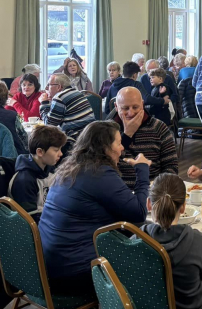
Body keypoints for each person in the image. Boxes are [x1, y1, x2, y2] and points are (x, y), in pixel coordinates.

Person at [39, 121, 150, 299]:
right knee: (150, 255)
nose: (122, 149)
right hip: (73, 274)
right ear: (105, 147)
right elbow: (138, 213)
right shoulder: (99, 172)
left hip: (46, 266)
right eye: (119, 143)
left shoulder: (70, 166)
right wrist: (142, 171)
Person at [143, 173, 202, 309]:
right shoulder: (198, 240)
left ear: (149, 204)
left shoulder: (137, 238)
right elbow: (201, 277)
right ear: (183, 207)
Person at [112, 87, 178, 188]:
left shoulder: (159, 128)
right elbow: (102, 165)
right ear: (116, 107)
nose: (131, 113)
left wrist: (155, 188)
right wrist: (126, 135)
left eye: (135, 107)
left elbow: (171, 167)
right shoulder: (107, 130)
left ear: (142, 104)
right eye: (125, 108)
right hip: (117, 193)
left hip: (152, 191)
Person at [9, 124, 67, 221]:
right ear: (40, 152)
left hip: (50, 219)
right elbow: (29, 220)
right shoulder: (24, 180)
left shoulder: (50, 169)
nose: (61, 154)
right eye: (56, 150)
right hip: (36, 227)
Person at [39, 73, 95, 147]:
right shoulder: (77, 92)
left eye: (49, 84)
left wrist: (44, 103)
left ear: (59, 87)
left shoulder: (59, 97)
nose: (46, 88)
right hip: (91, 136)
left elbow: (50, 124)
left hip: (76, 141)